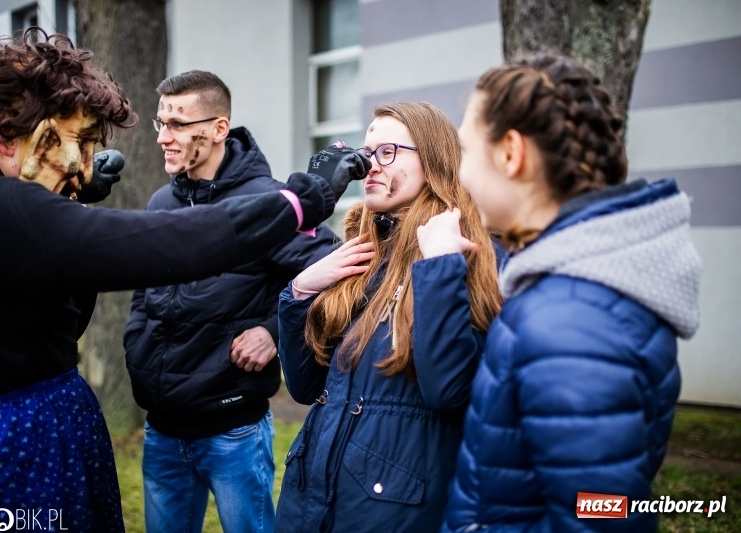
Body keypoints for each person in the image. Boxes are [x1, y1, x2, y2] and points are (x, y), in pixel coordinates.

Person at [0, 29, 367, 532]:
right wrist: (301, 200)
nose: (82, 164)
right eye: (78, 141)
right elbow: (160, 246)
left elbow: (61, 315)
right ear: (9, 132)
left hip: (213, 420)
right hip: (2, 456)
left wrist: (272, 330)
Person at [436, 53, 703, 532]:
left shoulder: (568, 320)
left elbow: (598, 517)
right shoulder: (580, 288)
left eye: (465, 153)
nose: (460, 176)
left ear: (511, 153)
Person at [122, 70, 338, 533]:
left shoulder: (268, 202)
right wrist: (135, 342)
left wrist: (275, 332)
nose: (164, 136)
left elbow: (334, 271)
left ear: (219, 128)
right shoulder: (161, 202)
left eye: (178, 123)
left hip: (231, 432)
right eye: (161, 123)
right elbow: (144, 289)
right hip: (161, 430)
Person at [274, 102, 503, 532]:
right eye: (365, 153)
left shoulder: (469, 254)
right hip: (309, 501)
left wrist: (439, 269)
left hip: (390, 510)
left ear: (433, 159)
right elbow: (305, 388)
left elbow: (447, 389)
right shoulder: (360, 254)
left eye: (387, 152)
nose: (367, 167)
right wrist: (299, 293)